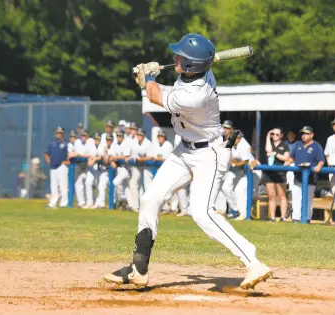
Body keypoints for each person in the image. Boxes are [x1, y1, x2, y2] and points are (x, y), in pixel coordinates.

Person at [103, 33, 271, 290]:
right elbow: (169, 83)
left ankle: (253, 262)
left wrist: (148, 78)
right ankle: (139, 268)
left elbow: (155, 96)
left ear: (193, 65)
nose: (175, 58)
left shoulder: (195, 96)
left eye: (180, 57)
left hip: (209, 154)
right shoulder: (194, 74)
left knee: (201, 213)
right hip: (183, 151)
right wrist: (154, 76)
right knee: (150, 199)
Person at [288, 126, 325, 223]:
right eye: (303, 133)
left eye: (307, 133)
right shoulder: (298, 144)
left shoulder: (316, 146)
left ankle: (307, 219)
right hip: (297, 177)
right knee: (296, 198)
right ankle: (295, 219)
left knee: (308, 200)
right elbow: (291, 158)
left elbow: (321, 161)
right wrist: (286, 163)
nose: (304, 135)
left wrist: (319, 166)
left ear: (312, 135)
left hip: (310, 178)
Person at [227, 131, 262, 220]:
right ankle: (242, 213)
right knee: (239, 190)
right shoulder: (233, 146)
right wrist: (233, 161)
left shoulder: (242, 146)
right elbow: (234, 158)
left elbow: (246, 161)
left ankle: (247, 212)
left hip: (254, 172)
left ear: (239, 139)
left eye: (236, 137)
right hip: (246, 172)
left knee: (251, 193)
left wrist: (234, 164)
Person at [263, 128, 290, 222]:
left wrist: (276, 154)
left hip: (280, 173)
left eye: (277, 134)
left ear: (281, 135)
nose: (274, 136)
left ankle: (283, 217)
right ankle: (273, 217)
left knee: (282, 195)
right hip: (269, 173)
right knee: (271, 195)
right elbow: (268, 150)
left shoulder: (284, 145)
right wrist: (268, 135)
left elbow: (286, 158)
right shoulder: (269, 143)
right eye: (273, 134)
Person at [129, 128, 155, 212]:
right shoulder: (135, 142)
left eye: (141, 135)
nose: (139, 136)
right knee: (133, 183)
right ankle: (135, 206)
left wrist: (141, 159)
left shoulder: (148, 143)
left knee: (147, 185)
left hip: (148, 165)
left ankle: (150, 207)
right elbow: (133, 156)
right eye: (138, 135)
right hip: (138, 165)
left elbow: (151, 157)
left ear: (144, 136)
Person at [44, 126, 69, 209]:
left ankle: (63, 203)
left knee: (63, 186)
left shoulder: (66, 144)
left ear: (63, 134)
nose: (58, 134)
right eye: (57, 133)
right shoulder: (52, 143)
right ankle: (53, 203)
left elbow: (69, 154)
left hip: (62, 166)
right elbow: (46, 153)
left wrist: (67, 161)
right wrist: (48, 160)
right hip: (53, 167)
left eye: (60, 133)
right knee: (53, 186)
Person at [153, 130, 178, 214]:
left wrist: (158, 159)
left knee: (171, 189)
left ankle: (174, 208)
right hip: (161, 170)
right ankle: (165, 207)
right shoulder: (156, 145)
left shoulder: (168, 145)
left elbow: (168, 159)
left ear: (164, 137)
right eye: (159, 136)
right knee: (160, 189)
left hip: (169, 169)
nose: (160, 138)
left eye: (162, 136)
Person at [72, 130, 94, 208]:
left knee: (88, 182)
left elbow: (91, 154)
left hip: (89, 166)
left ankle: (90, 202)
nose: (83, 137)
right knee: (78, 182)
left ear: (87, 136)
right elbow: (74, 152)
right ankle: (81, 202)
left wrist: (79, 154)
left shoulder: (90, 142)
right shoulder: (78, 142)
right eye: (82, 135)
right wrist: (77, 154)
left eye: (84, 135)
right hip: (79, 164)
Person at [111, 129, 132, 210]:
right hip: (118, 167)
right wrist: (112, 160)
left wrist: (115, 157)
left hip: (125, 168)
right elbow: (111, 155)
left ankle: (123, 199)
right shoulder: (115, 144)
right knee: (125, 187)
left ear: (123, 136)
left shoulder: (126, 143)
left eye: (120, 136)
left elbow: (126, 156)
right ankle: (126, 204)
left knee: (116, 182)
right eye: (117, 136)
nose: (118, 137)